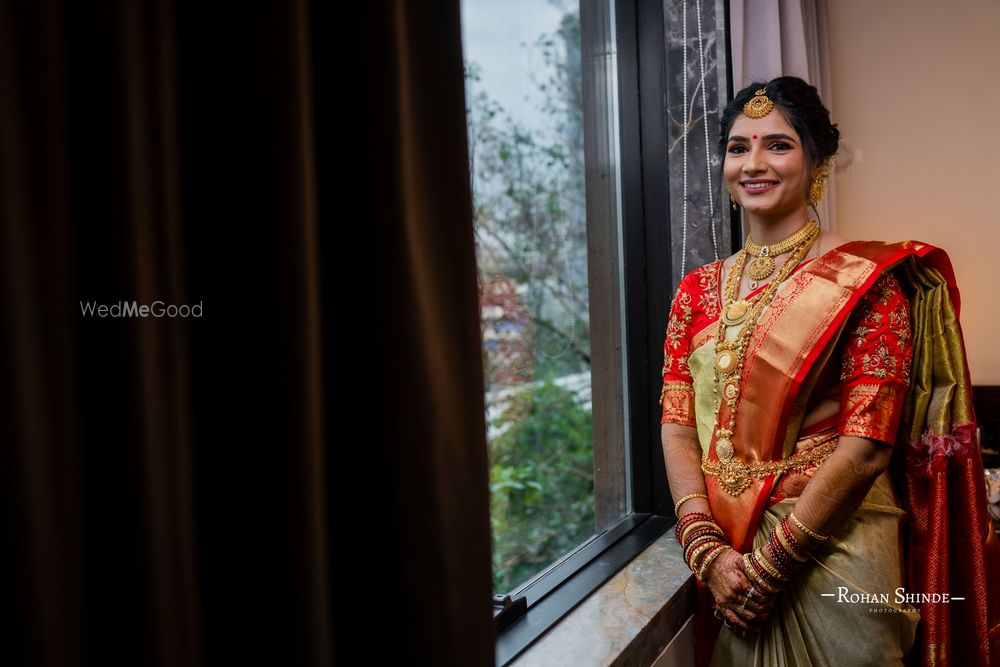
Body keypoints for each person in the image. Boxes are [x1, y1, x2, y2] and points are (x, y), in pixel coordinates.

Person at [658, 76, 1000, 666]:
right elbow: (678, 423)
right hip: (729, 556)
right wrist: (705, 549)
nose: (754, 163)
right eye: (738, 147)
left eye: (778, 145)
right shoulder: (697, 291)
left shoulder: (866, 280)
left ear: (817, 162)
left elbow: (866, 447)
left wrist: (771, 568)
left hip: (836, 548)